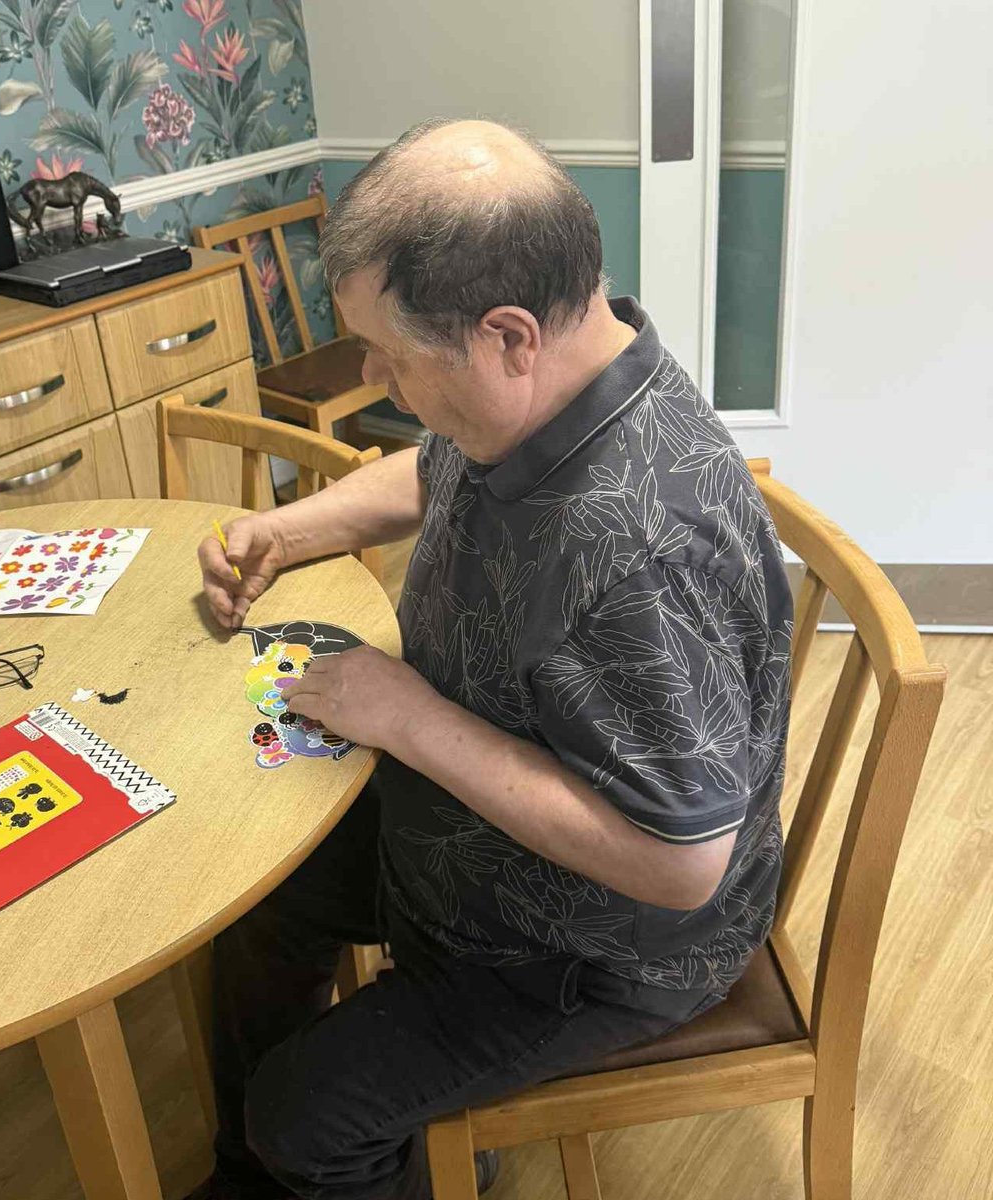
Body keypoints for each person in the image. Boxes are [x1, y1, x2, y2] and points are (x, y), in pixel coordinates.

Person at [196, 119, 793, 1200]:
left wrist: (410, 716)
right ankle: (251, 1174)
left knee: (309, 1118)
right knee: (250, 897)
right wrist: (290, 532)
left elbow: (681, 867)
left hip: (603, 948)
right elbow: (431, 472)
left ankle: (287, 1154)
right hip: (474, 825)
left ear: (510, 335)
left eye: (393, 357)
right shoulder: (558, 384)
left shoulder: (640, 552)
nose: (376, 378)